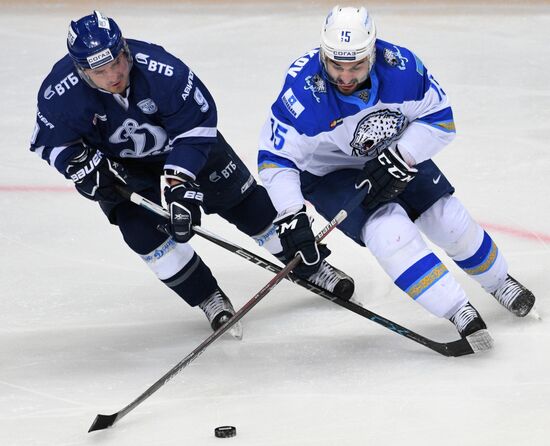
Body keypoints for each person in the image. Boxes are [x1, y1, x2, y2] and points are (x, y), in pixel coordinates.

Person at [30, 11, 355, 337]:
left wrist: (178, 181)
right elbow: (51, 143)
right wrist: (83, 167)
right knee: (140, 232)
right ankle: (208, 297)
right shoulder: (59, 94)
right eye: (101, 70)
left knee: (245, 204)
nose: (114, 74)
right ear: (82, 71)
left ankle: (312, 267)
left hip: (185, 148)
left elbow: (197, 128)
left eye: (117, 61)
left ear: (125, 49)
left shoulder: (163, 71)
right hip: (123, 167)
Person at [257, 5, 535, 350]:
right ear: (322, 54)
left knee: (447, 219)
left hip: (395, 149)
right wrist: (291, 213)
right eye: (336, 65)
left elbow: (441, 120)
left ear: (373, 53)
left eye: (356, 65)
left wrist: (401, 155)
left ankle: (499, 282)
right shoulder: (302, 94)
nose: (345, 77)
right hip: (329, 172)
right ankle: (457, 308)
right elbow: (274, 159)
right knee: (389, 233)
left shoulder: (402, 69)